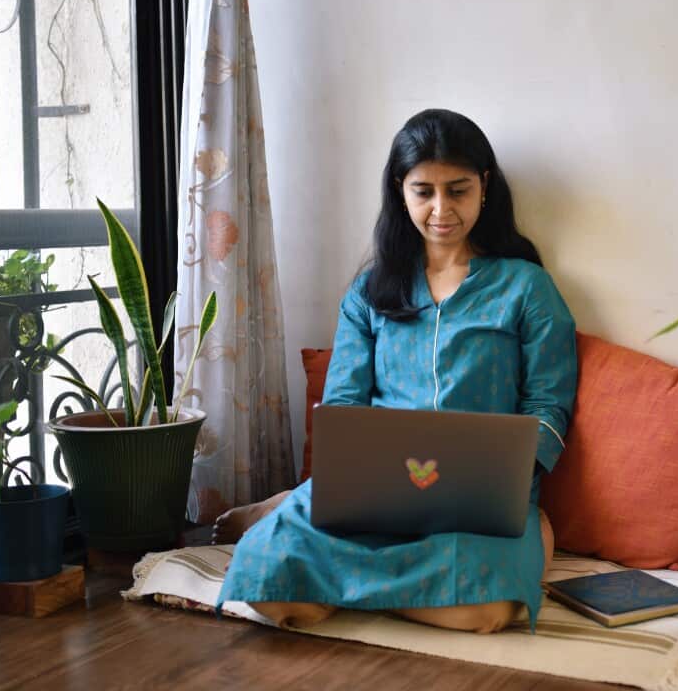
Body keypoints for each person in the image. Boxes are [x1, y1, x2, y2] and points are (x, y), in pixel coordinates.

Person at [213, 109, 578, 635]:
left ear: (485, 188)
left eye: (458, 190)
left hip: (477, 503)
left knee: (485, 613)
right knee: (265, 585)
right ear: (400, 190)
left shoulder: (526, 288)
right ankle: (314, 535)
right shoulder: (369, 292)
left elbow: (549, 404)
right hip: (372, 495)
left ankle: (344, 586)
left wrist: (520, 475)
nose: (440, 209)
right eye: (423, 191)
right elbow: (342, 403)